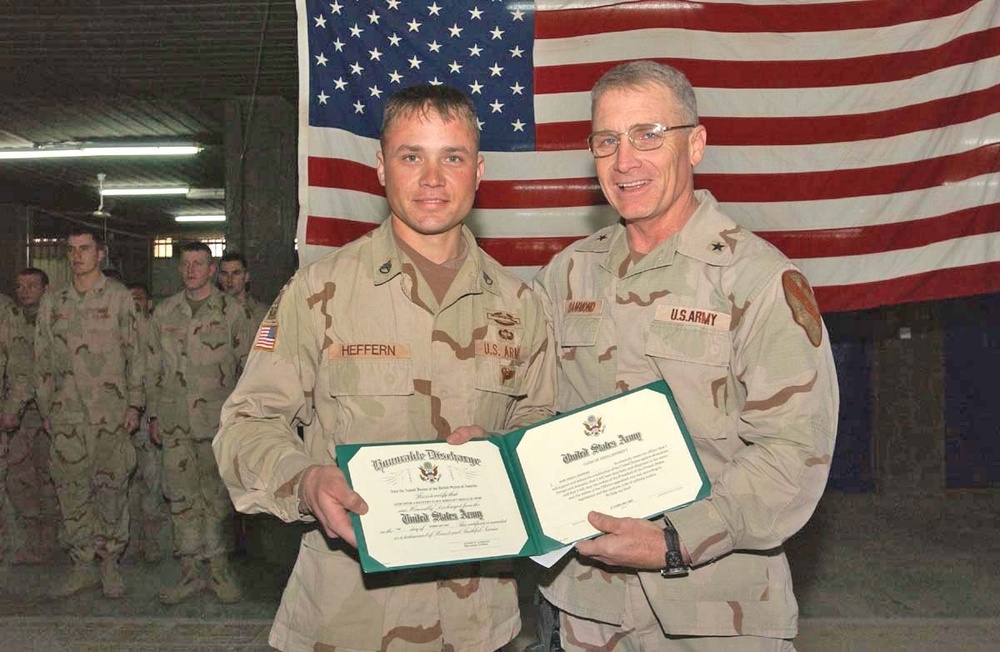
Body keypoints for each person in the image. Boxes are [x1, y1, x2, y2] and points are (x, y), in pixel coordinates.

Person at [213, 84, 555, 652]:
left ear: (479, 170)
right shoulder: (319, 292)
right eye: (410, 155)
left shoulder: (520, 305)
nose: (432, 178)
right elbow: (246, 424)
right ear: (380, 166)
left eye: (453, 156)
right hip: (347, 617)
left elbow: (544, 422)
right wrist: (305, 480)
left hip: (479, 621)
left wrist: (509, 451)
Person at [532, 61, 839, 651]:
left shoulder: (756, 279)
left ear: (695, 144)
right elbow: (532, 407)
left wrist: (674, 538)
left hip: (716, 610)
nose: (625, 161)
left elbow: (795, 452)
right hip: (587, 611)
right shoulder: (566, 275)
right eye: (607, 140)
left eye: (649, 135)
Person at [35, 227, 143, 598]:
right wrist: (46, 405)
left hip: (110, 413)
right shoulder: (55, 301)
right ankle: (82, 562)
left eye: (84, 249)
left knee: (111, 488)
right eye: (71, 249)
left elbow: (136, 353)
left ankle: (110, 561)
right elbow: (43, 358)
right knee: (72, 490)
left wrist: (134, 403)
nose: (76, 255)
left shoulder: (118, 299)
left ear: (100, 254)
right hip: (66, 414)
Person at [146, 241, 253, 604]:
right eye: (186, 264)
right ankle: (190, 572)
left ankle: (219, 569)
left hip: (217, 422)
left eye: (199, 264)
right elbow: (152, 366)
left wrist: (244, 419)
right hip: (175, 421)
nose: (191, 270)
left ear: (211, 270)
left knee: (217, 499)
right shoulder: (165, 312)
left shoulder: (232, 311)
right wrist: (154, 414)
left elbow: (250, 367)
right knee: (180, 498)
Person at [0, 269, 58, 564]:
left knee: (53, 475)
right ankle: (33, 540)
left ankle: (54, 540)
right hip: (24, 414)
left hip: (54, 411)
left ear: (46, 288)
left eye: (31, 286)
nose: (24, 291)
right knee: (19, 474)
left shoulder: (59, 318)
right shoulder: (11, 319)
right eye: (19, 286)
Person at [125, 281, 168, 563]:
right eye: (130, 299)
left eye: (139, 298)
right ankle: (130, 540)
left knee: (153, 482)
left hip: (148, 419)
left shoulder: (158, 330)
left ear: (148, 303)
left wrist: (155, 415)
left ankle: (153, 543)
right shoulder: (119, 333)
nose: (135, 303)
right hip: (124, 419)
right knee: (124, 484)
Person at [218, 251, 269, 326]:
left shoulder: (262, 314)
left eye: (236, 273)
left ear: (246, 277)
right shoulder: (211, 312)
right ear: (219, 278)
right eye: (224, 274)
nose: (229, 280)